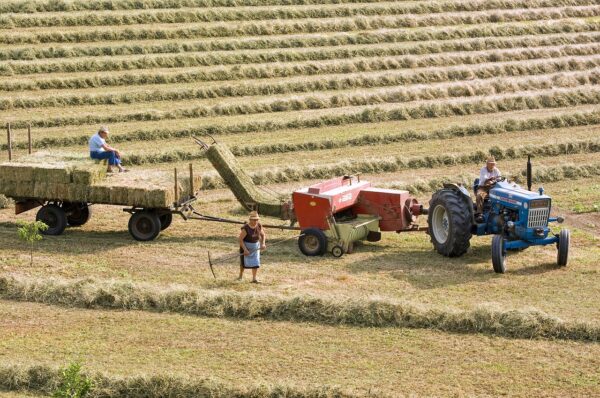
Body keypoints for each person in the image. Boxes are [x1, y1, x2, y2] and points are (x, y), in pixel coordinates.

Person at [238, 211, 266, 283]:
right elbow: (240, 240)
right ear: (250, 220)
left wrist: (263, 243)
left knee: (256, 262)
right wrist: (245, 249)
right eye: (254, 220)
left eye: (257, 219)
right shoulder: (246, 228)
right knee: (243, 263)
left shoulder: (259, 226)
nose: (256, 221)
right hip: (245, 246)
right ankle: (240, 276)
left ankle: (254, 279)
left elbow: (263, 235)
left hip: (255, 247)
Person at [475, 156, 501, 223]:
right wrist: (490, 180)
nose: (492, 165)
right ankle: (479, 213)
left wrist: (496, 181)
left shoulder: (496, 170)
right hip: (483, 187)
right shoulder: (483, 170)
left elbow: (499, 179)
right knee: (479, 196)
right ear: (487, 164)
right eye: (491, 163)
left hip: (494, 187)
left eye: (493, 163)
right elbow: (484, 179)